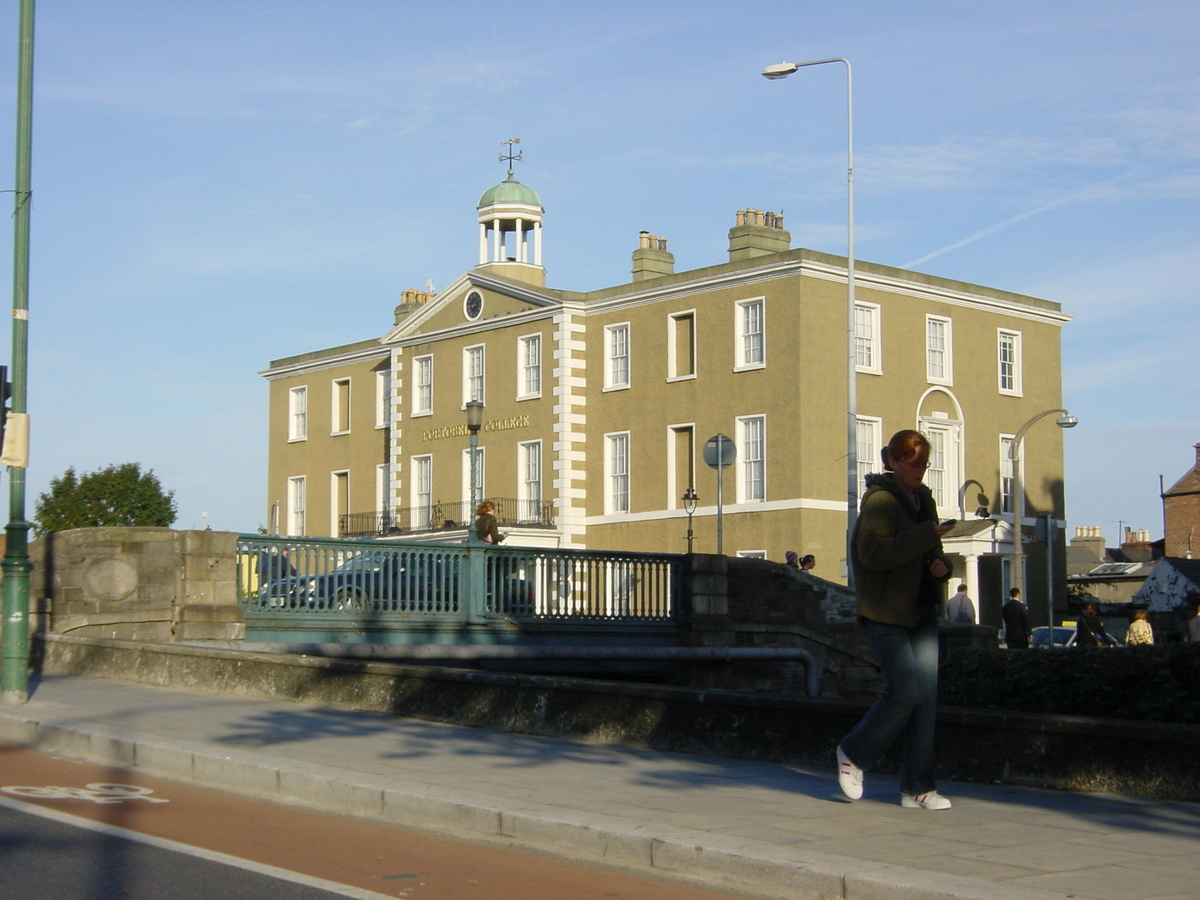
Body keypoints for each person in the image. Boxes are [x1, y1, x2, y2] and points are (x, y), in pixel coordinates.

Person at [836, 430, 954, 811]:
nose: (919, 470)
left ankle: (918, 788)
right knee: (903, 692)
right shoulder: (880, 502)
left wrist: (942, 565)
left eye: (923, 463)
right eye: (912, 463)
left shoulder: (924, 500)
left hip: (921, 609)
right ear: (892, 461)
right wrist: (924, 537)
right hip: (886, 612)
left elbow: (931, 551)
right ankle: (853, 754)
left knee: (926, 702)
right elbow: (871, 555)